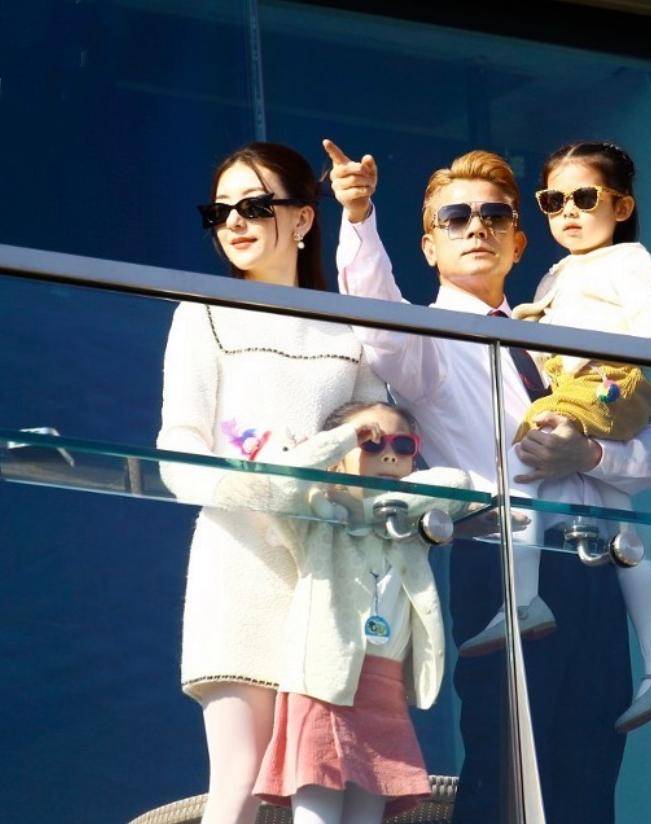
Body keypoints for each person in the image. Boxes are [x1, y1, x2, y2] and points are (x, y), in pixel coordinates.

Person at [323, 138, 651, 823]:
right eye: (455, 218)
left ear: (518, 242)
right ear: (429, 247)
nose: (476, 227)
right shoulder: (426, 337)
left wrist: (591, 458)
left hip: (599, 570)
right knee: (509, 773)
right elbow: (374, 313)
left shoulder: (567, 325)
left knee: (589, 778)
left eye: (494, 216)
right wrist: (359, 215)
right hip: (507, 568)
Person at [156, 141, 385, 824]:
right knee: (242, 779)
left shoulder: (352, 329)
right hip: (239, 563)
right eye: (219, 210)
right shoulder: (203, 311)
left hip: (330, 573)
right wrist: (261, 485)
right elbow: (178, 447)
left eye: (254, 206)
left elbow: (379, 445)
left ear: (304, 218)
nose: (234, 221)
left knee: (338, 776)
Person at [460, 141, 651, 734]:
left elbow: (645, 309)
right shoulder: (557, 273)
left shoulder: (627, 258)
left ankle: (524, 599)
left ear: (621, 207)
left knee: (527, 444)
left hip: (607, 380)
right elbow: (551, 330)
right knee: (625, 535)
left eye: (585, 198)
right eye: (553, 201)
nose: (568, 211)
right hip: (588, 383)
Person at [242, 400, 471, 824]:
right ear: (337, 457)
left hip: (385, 690)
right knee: (318, 817)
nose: (389, 454)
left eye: (403, 445)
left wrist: (375, 506)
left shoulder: (406, 524)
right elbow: (282, 482)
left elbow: (457, 482)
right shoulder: (319, 519)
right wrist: (346, 437)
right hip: (323, 685)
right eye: (372, 443)